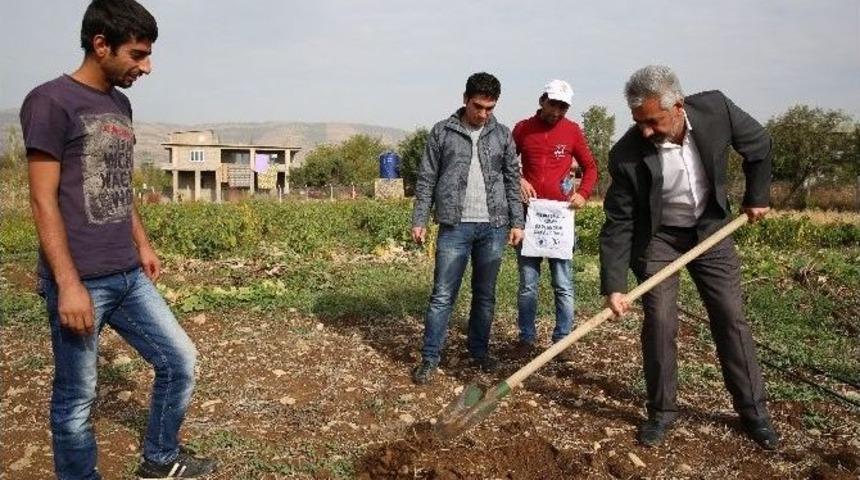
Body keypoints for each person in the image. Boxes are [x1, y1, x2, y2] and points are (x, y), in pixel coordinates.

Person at [20, 1, 216, 478]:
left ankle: (160, 459)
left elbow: (118, 184)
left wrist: (142, 243)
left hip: (127, 273)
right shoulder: (50, 101)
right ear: (100, 44)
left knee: (180, 361)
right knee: (76, 399)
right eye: (137, 54)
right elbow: (43, 201)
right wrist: (67, 284)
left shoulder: (119, 104)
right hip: (81, 280)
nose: (146, 67)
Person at [599, 65, 779, 450]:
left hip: (712, 231)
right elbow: (619, 222)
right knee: (661, 322)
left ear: (678, 105)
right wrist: (614, 286)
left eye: (653, 121)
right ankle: (661, 413)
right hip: (660, 241)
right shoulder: (627, 153)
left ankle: (754, 413)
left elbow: (759, 145)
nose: (645, 131)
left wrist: (757, 196)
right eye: (638, 122)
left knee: (730, 316)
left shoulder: (716, 109)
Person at [410, 72, 525, 384]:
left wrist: (518, 221)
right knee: (442, 294)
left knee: (485, 295)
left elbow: (513, 180)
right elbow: (426, 178)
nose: (483, 114)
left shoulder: (502, 134)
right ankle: (430, 357)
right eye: (478, 106)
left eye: (490, 108)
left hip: (493, 227)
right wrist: (419, 218)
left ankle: (478, 350)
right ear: (465, 99)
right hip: (454, 225)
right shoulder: (442, 132)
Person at [511, 79, 598, 361]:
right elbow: (506, 162)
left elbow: (591, 167)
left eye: (563, 106)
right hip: (529, 216)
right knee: (528, 283)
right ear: (542, 100)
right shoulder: (523, 129)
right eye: (554, 104)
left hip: (560, 219)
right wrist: (519, 178)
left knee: (563, 283)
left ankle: (562, 340)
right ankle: (526, 337)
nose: (557, 112)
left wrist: (584, 193)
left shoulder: (572, 131)